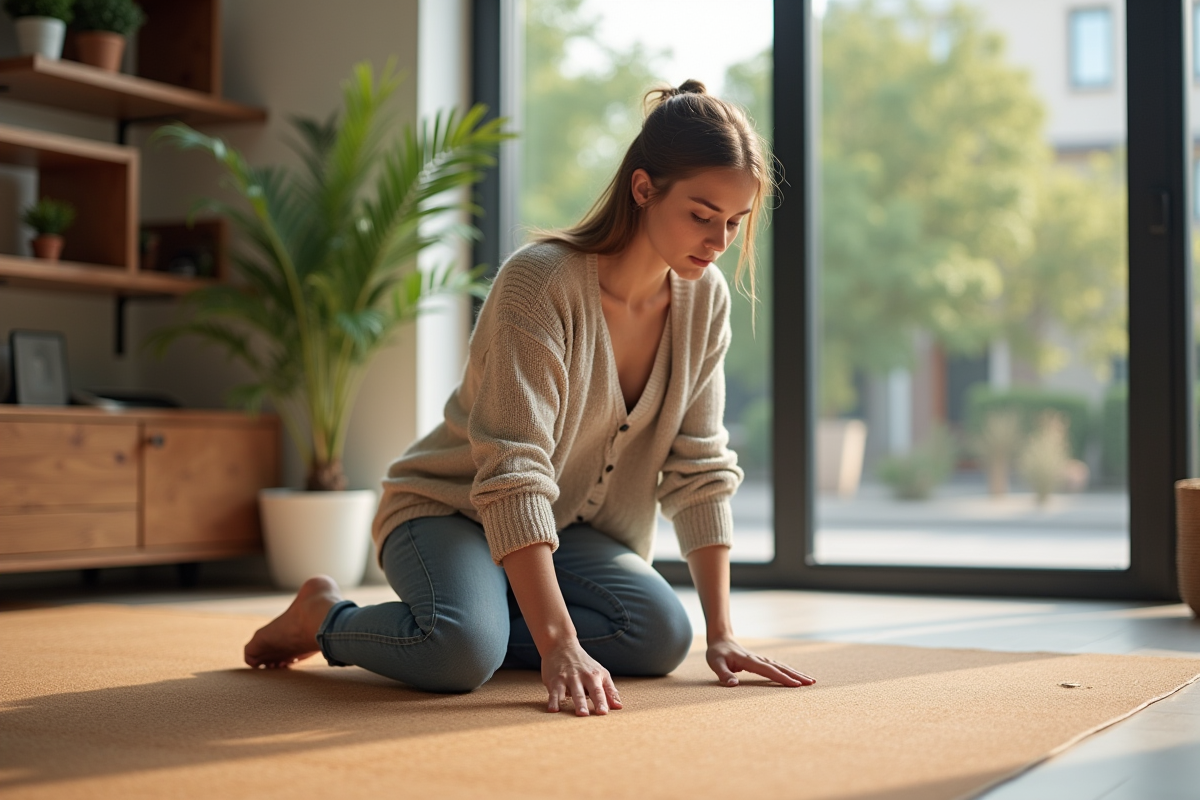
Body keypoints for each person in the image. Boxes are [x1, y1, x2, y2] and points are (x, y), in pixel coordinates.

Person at [244, 79, 816, 716]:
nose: (718, 241)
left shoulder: (704, 299)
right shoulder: (539, 283)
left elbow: (699, 466)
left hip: (569, 529)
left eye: (734, 222)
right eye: (702, 215)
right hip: (452, 508)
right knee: (459, 653)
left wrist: (722, 633)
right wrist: (560, 642)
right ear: (643, 189)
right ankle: (326, 616)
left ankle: (489, 609)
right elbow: (511, 468)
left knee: (659, 636)